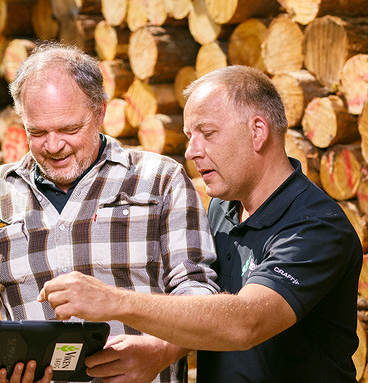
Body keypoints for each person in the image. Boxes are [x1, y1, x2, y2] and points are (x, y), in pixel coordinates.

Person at [38, 65, 363, 382]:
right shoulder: (223, 208)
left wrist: (113, 301)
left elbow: (246, 322)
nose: (192, 151)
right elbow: (209, 310)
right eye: (189, 136)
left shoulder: (315, 226)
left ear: (257, 132)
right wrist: (161, 350)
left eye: (207, 134)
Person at [0, 41, 219, 383]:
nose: (54, 145)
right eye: (38, 132)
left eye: (70, 129)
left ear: (100, 112)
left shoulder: (159, 180)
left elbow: (198, 291)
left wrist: (163, 350)